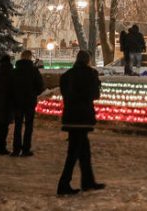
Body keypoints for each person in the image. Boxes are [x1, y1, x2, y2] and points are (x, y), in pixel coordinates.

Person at [57, 50, 104, 196]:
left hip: (71, 116)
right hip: (83, 117)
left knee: (84, 152)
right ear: (88, 60)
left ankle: (88, 181)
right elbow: (95, 95)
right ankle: (64, 184)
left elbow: (65, 93)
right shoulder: (91, 74)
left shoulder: (67, 75)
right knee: (74, 153)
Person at [12, 50, 44, 157]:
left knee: (18, 125)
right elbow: (40, 86)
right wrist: (34, 93)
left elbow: (10, 86)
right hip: (30, 101)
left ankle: (16, 149)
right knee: (29, 125)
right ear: (30, 57)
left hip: (17, 101)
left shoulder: (15, 70)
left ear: (21, 57)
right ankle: (26, 149)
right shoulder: (34, 71)